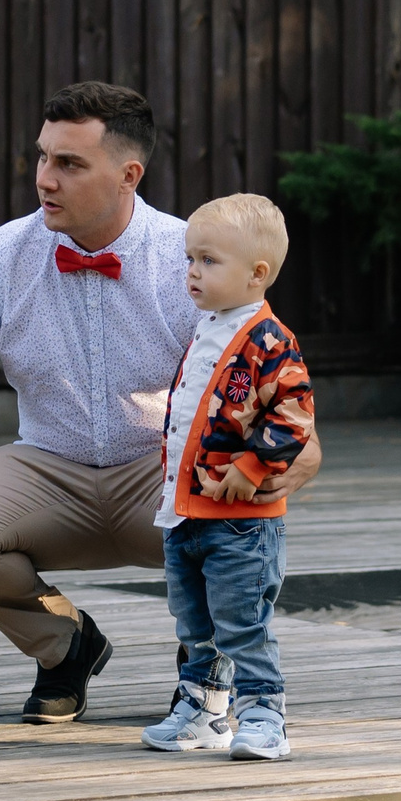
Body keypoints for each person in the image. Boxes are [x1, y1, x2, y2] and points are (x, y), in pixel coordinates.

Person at [0, 83, 323, 723]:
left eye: (69, 164)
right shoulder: (0, 256)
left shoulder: (194, 258)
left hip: (161, 475)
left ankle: (208, 672)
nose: (46, 178)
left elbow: (290, 423)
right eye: (43, 158)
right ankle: (64, 644)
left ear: (129, 174)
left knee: (242, 528)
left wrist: (256, 483)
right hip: (48, 469)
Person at [141, 194, 312, 761]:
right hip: (186, 511)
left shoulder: (269, 341)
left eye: (208, 261)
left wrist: (253, 464)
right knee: (193, 620)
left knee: (243, 621)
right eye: (190, 259)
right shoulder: (207, 328)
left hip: (242, 524)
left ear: (256, 274)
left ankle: (265, 714)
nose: (192, 271)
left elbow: (294, 415)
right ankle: (203, 710)